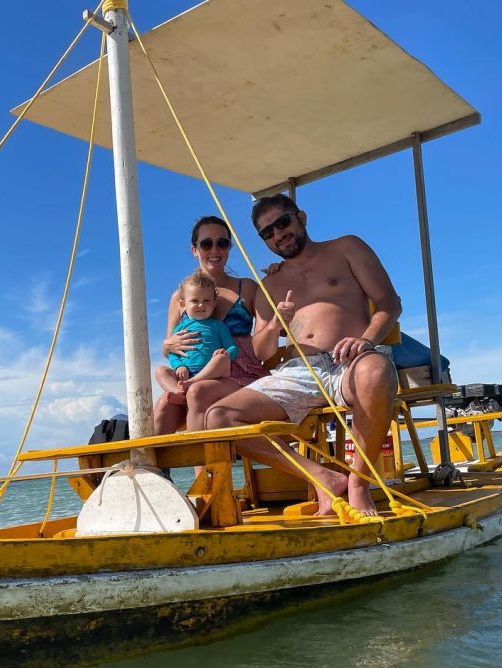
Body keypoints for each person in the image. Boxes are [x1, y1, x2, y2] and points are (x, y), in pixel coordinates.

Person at [205, 194, 402, 516]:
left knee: (376, 372)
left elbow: (389, 303)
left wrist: (365, 340)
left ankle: (358, 483)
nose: (277, 234)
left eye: (282, 223)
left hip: (349, 360)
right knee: (218, 418)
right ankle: (323, 477)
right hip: (297, 370)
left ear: (301, 217)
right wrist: (274, 324)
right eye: (267, 233)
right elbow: (262, 352)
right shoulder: (270, 282)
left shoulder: (346, 247)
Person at [153, 216, 269, 435]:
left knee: (197, 392)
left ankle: (205, 469)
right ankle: (158, 469)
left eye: (222, 243)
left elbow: (265, 338)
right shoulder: (180, 295)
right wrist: (169, 346)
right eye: (206, 243)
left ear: (229, 248)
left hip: (237, 372)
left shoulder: (247, 288)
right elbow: (167, 346)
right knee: (162, 407)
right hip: (194, 371)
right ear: (194, 250)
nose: (214, 249)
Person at [154, 270, 239, 401]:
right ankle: (179, 393)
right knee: (160, 371)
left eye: (206, 300)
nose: (201, 305)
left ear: (214, 303)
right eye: (194, 300)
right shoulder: (180, 328)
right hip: (185, 374)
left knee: (221, 358)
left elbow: (233, 348)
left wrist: (224, 354)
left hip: (210, 374)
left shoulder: (218, 325)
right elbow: (172, 353)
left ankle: (190, 385)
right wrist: (179, 366)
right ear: (183, 304)